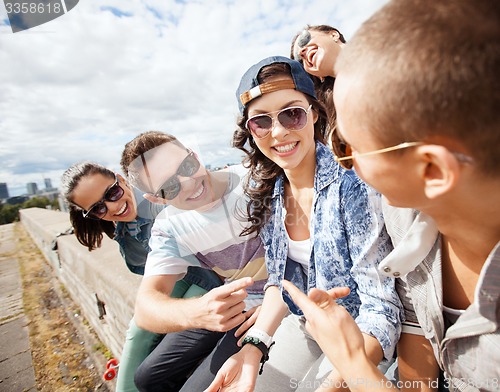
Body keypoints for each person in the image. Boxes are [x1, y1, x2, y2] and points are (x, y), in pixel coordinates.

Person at [283, 0, 500, 391]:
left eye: (347, 149)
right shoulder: (402, 216)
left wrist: (354, 365)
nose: (342, 165)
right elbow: (418, 324)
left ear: (431, 171)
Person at [207, 56, 403, 392]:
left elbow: (381, 308)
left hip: (359, 334)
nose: (279, 131)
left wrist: (337, 382)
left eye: (292, 113)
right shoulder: (270, 194)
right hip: (303, 325)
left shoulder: (352, 185)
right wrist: (255, 347)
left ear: (313, 113)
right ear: (251, 132)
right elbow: (281, 282)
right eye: (261, 122)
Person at [120, 131, 268, 392]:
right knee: (146, 378)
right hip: (233, 306)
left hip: (272, 303)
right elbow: (145, 308)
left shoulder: (257, 180)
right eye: (170, 187)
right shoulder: (169, 227)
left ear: (195, 156)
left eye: (187, 166)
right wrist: (197, 312)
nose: (188, 183)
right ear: (156, 198)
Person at [61, 160, 222, 392]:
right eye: (99, 208)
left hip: (209, 275)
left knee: (148, 357)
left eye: (113, 193)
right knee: (139, 331)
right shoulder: (125, 228)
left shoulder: (159, 198)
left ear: (122, 179)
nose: (113, 207)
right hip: (182, 274)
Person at [290, 24, 346, 141]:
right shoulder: (342, 120)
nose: (301, 53)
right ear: (319, 76)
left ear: (333, 35)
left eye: (304, 40)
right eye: (300, 61)